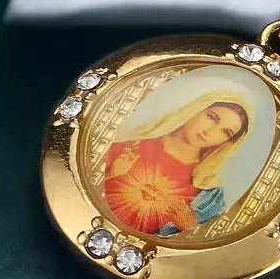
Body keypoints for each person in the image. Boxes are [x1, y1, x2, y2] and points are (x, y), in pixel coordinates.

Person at [104, 93, 251, 236]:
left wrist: (189, 225)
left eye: (226, 132)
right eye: (211, 117)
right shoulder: (129, 146)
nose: (210, 131)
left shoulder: (209, 191)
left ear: (229, 142)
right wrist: (111, 174)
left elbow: (205, 239)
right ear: (197, 108)